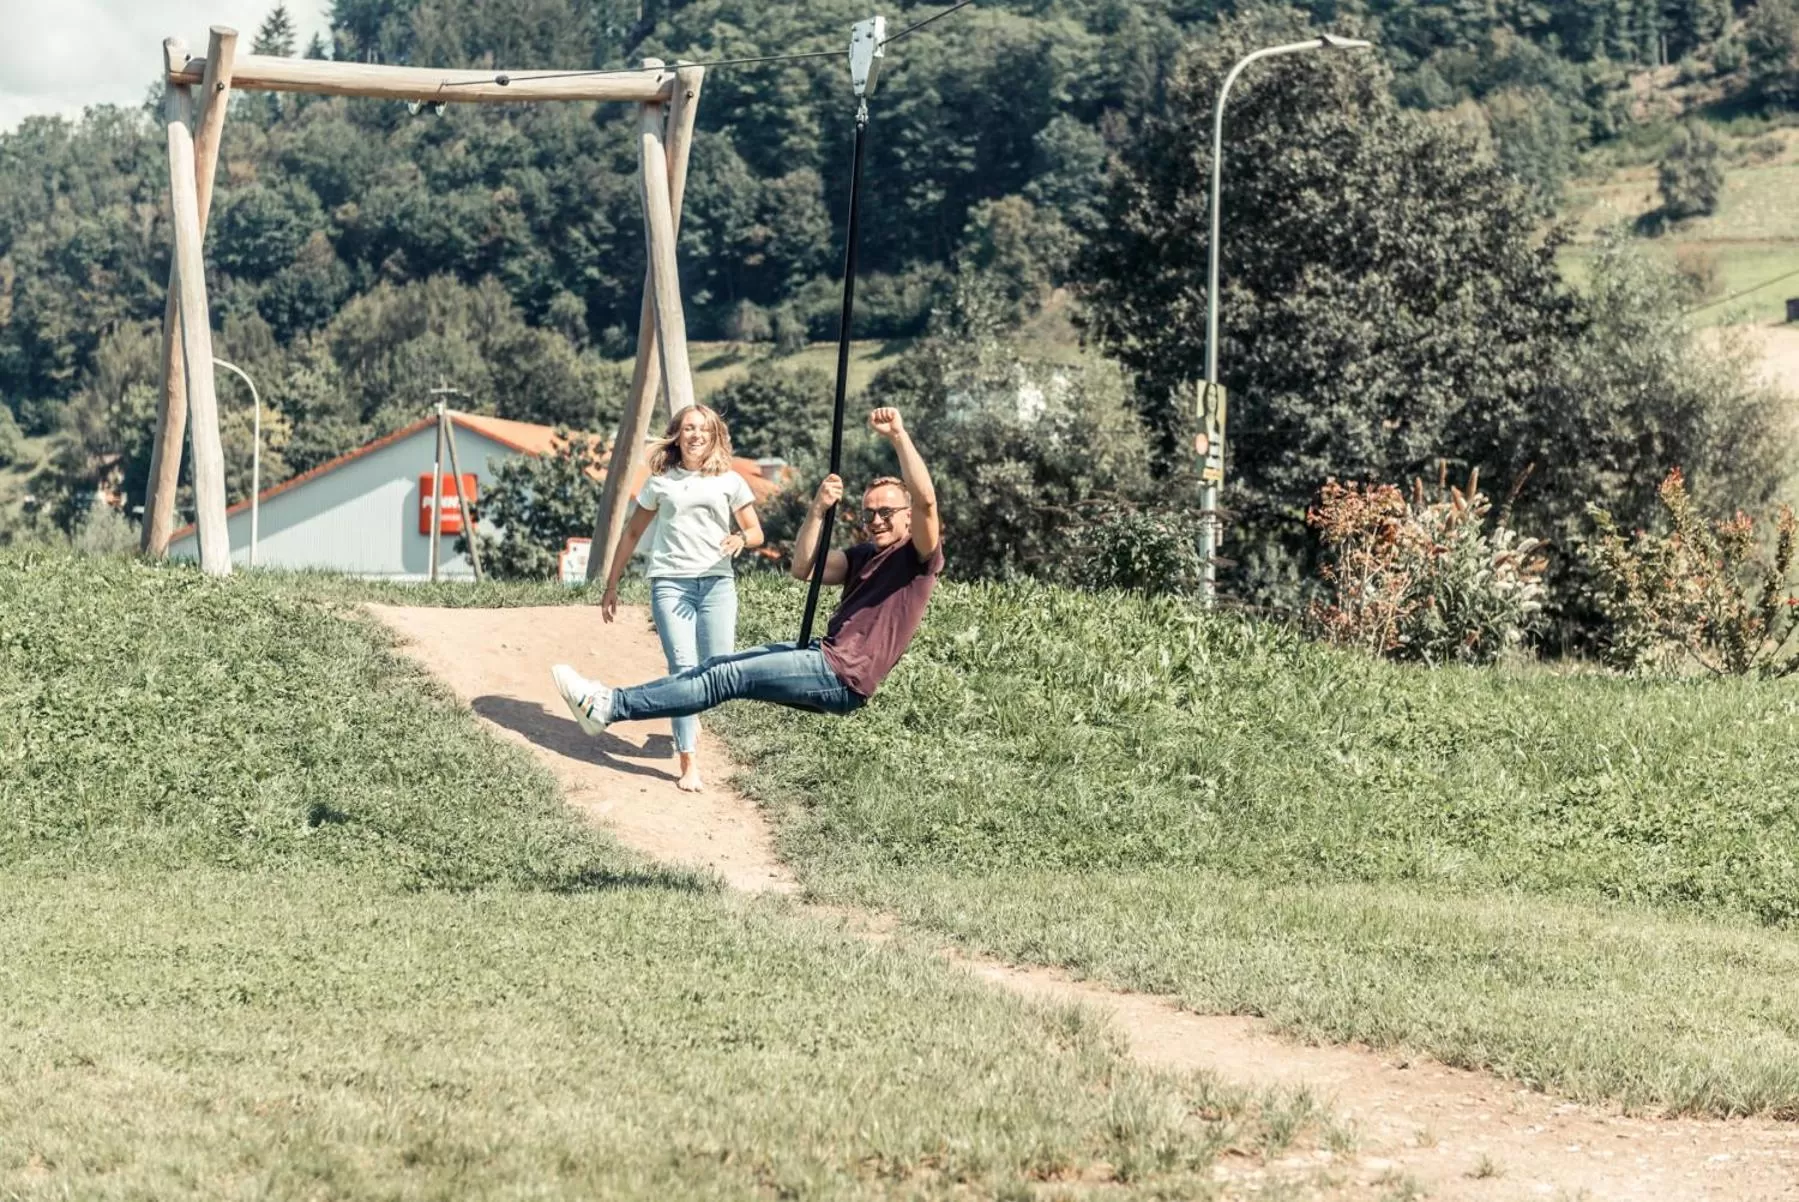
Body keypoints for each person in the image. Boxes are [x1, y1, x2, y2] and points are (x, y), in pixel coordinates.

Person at [552, 406, 942, 735]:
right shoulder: (863, 555)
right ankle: (611, 707)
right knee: (718, 669)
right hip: (823, 656)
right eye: (869, 513)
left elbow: (926, 501)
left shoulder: (917, 557)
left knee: (723, 676)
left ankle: (608, 706)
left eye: (886, 512)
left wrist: (898, 436)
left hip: (841, 673)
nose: (876, 521)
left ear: (908, 516)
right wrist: (817, 510)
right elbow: (803, 568)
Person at [598, 403, 764, 793]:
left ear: (714, 436)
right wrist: (611, 584)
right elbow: (632, 533)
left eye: (703, 429)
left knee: (718, 667)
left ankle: (690, 710)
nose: (695, 435)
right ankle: (688, 760)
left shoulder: (730, 481)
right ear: (677, 435)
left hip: (717, 585)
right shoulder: (660, 482)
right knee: (683, 670)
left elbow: (757, 532)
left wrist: (740, 538)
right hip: (671, 584)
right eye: (689, 428)